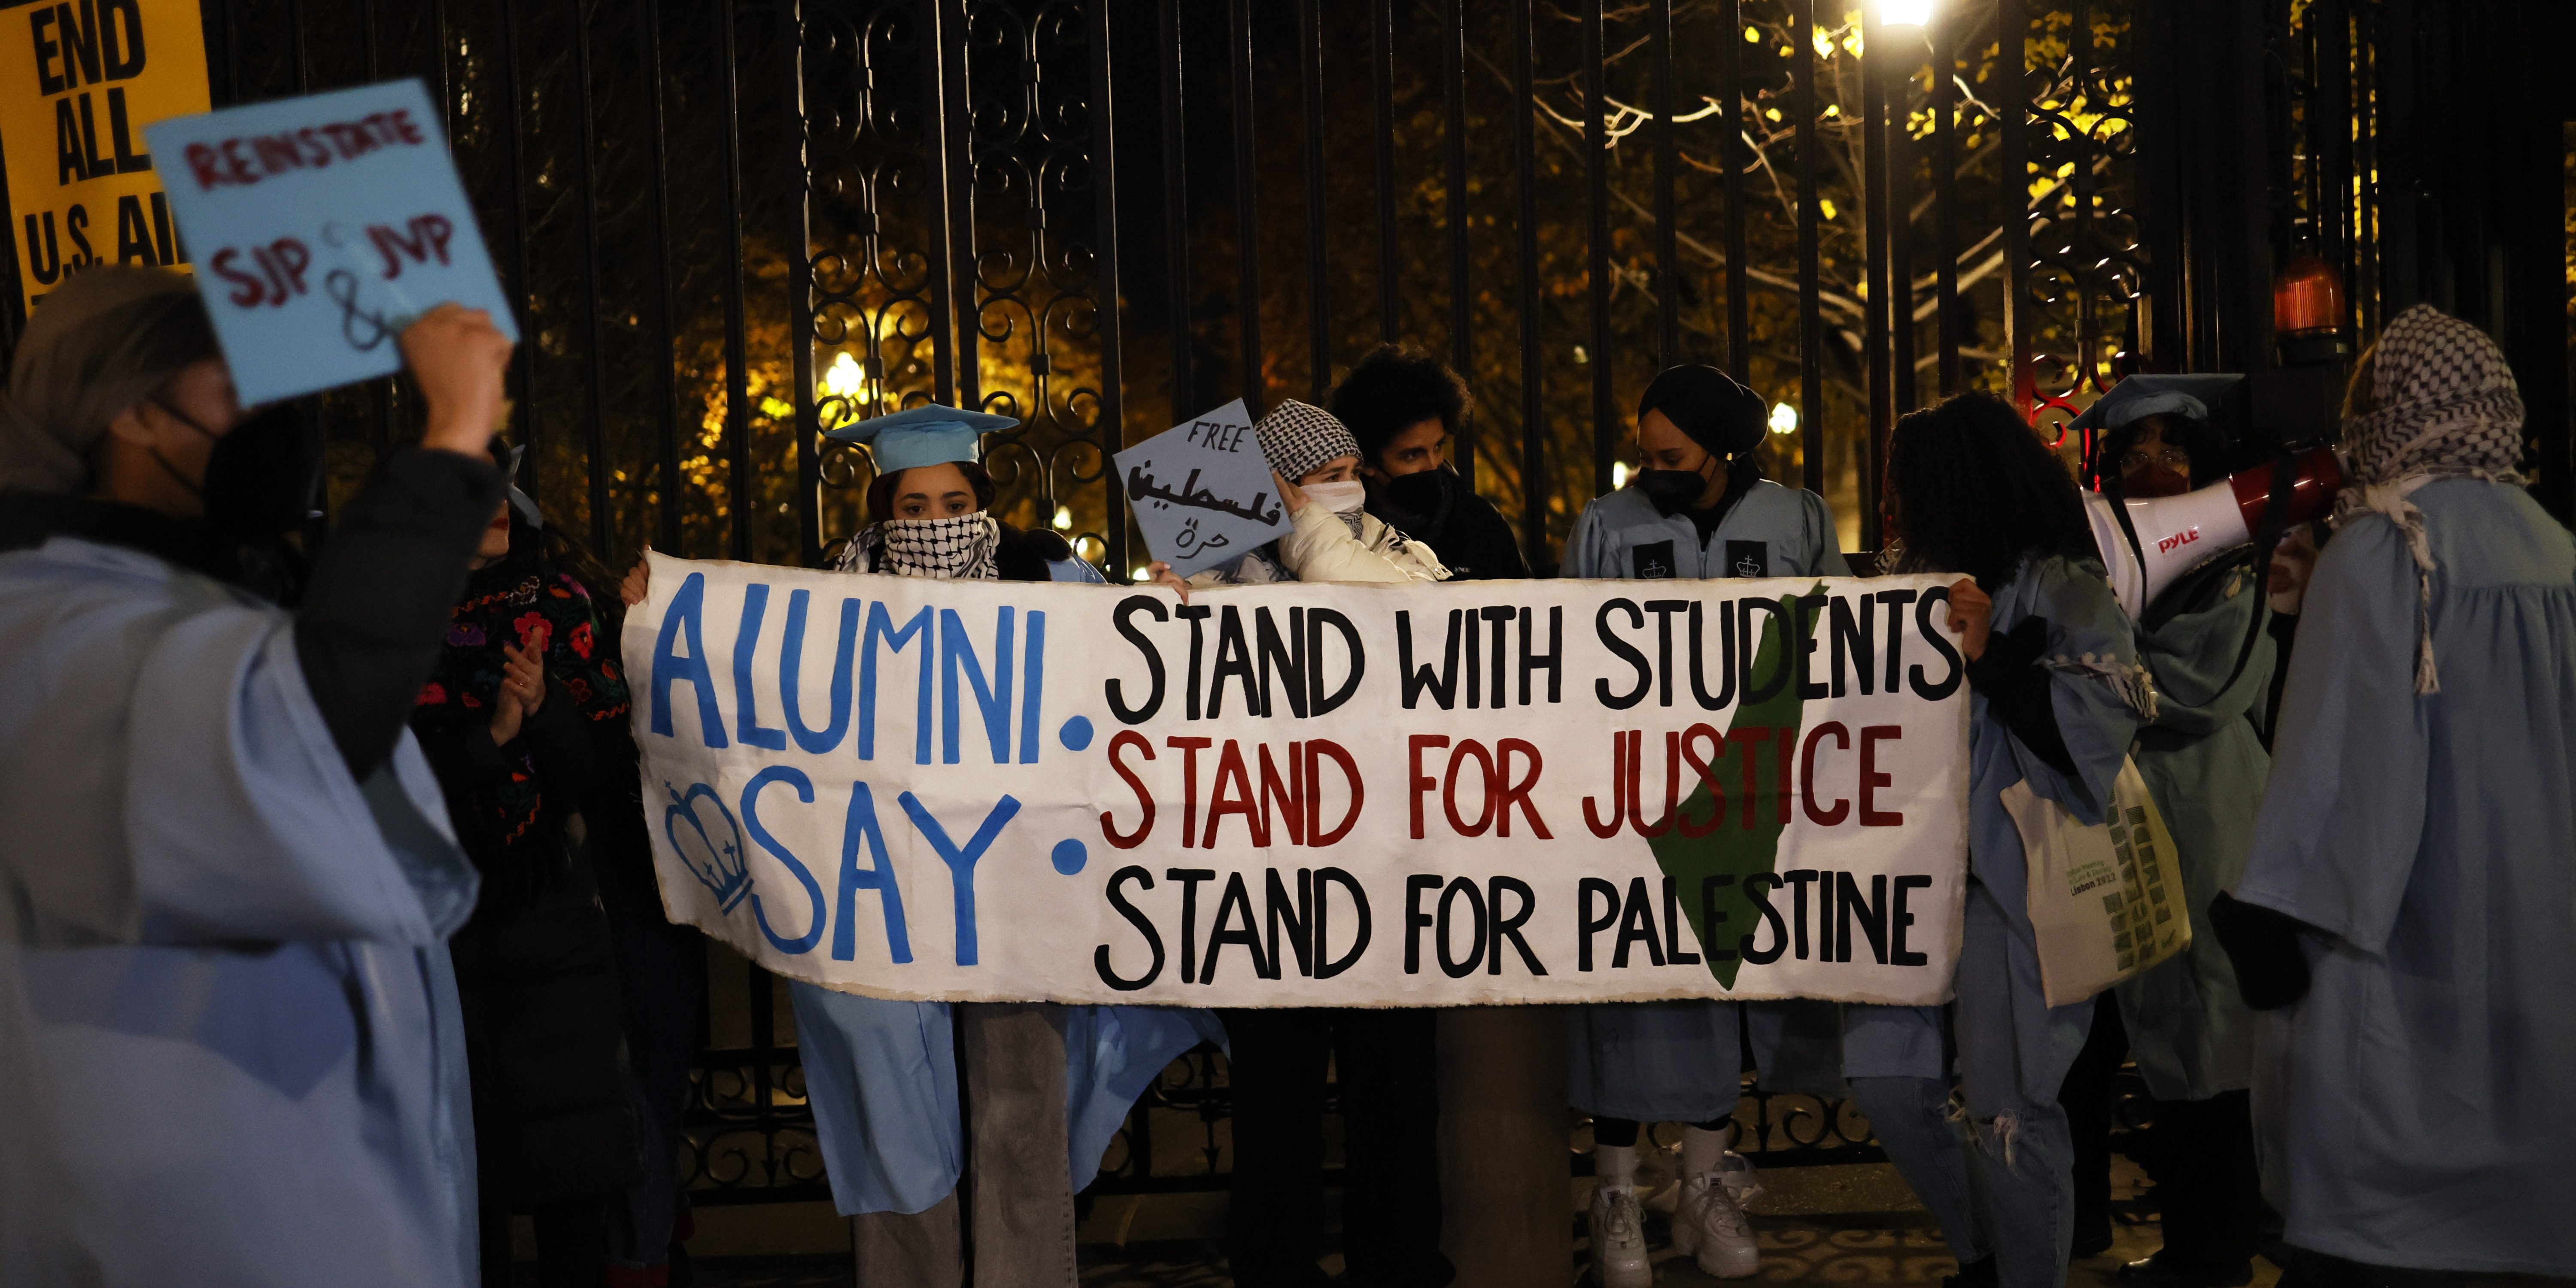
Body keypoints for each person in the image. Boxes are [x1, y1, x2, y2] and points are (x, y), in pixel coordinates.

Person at [621, 404, 1220, 1286]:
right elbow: (749, 672)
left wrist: (1165, 605)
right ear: (882, 512)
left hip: (1018, 891)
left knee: (1020, 1107)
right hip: (884, 898)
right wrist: (663, 610)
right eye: (914, 508)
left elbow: (1128, 661)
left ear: (982, 498)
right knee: (894, 1107)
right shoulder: (829, 595)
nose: (936, 525)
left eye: (954, 503)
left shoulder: (1051, 574)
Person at [0, 266, 512, 1283]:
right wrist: (451, 436)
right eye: (240, 386)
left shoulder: (191, 610)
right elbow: (307, 725)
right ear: (133, 413)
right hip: (180, 1220)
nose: (279, 424)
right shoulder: (42, 625)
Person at [1561, 365, 1981, 1288]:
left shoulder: (1794, 521)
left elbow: (1846, 644)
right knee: (1632, 988)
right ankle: (1618, 1194)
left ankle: (1707, 1186)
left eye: (1670, 456)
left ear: (1722, 448)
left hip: (1761, 799)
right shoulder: (1606, 524)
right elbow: (1566, 662)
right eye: (1645, 455)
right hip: (1641, 808)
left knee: (1727, 980)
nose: (1652, 471)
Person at [2216, 305, 2576, 1286]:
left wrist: (2272, 912)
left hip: (2405, 954)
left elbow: (2339, 774)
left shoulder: (2387, 551)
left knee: (2384, 1215)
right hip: (2538, 944)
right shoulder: (2552, 546)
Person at [1151, 398, 1458, 1288]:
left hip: (1387, 871)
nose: (1341, 489)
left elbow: (1381, 609)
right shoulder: (1211, 578)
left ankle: (1397, 1265)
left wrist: (1302, 527)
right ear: (1271, 485)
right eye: (1316, 478)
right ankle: (1276, 1265)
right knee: (1274, 1099)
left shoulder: (1403, 558)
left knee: (1397, 1097)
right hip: (1267, 875)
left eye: (1346, 472)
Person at [1884, 391, 2153, 1288]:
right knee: (1885, 1079)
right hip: (1910, 884)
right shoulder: (1903, 585)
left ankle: (2021, 1271)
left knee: (2013, 1107)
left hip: (2019, 890)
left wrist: (1994, 659)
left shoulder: (2064, 586)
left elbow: (2104, 725)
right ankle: (1986, 1253)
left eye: (1912, 491)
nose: (1899, 512)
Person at [409, 441, 659, 1286]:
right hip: (441, 918)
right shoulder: (393, 627)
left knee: (570, 1155)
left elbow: (598, 767)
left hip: (549, 911)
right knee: (463, 1155)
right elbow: (381, 773)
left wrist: (543, 713)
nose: (491, 510)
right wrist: (490, 741)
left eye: (501, 494)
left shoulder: (559, 606)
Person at [2060, 377, 2270, 1288]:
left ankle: (2214, 1248)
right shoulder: (2095, 560)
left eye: (2171, 451)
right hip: (2118, 823)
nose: (2153, 470)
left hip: (2205, 824)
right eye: (2134, 454)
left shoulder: (2232, 567)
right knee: (2127, 1037)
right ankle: (2095, 1226)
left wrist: (2091, 662)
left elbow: (2197, 687)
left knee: (2211, 1037)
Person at [1172, 398, 1449, 591]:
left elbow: (1421, 605)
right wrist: (1165, 596)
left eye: (1355, 473)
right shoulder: (1221, 564)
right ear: (1283, 487)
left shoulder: (1378, 539)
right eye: (1333, 477)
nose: (1352, 488)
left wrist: (1311, 531)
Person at [1327, 343, 1528, 580]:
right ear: (1368, 462)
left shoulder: (1480, 524)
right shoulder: (1337, 533)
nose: (1433, 465)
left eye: (1438, 446)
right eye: (1413, 455)